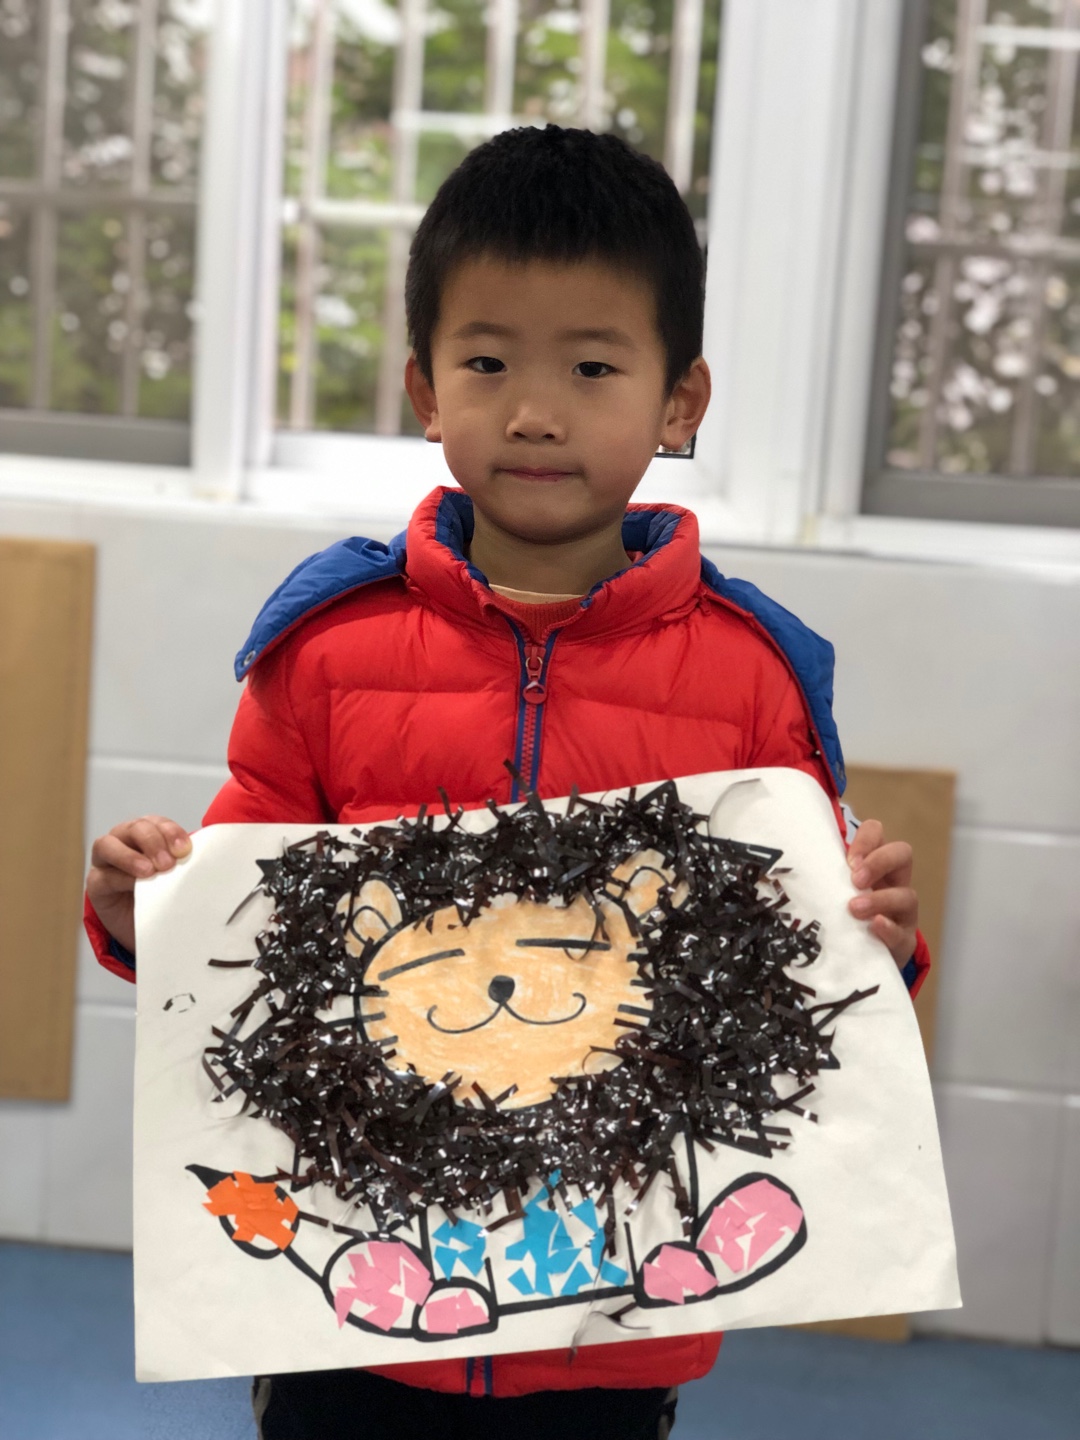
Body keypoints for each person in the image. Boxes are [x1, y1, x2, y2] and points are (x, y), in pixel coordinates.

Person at [85, 127, 927, 1440]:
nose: (535, 411)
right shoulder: (326, 650)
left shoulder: (754, 675)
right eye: (488, 364)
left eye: (592, 366)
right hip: (357, 1315)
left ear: (680, 402)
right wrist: (145, 912)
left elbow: (794, 985)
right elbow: (248, 933)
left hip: (608, 1328)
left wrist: (881, 935)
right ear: (427, 389)